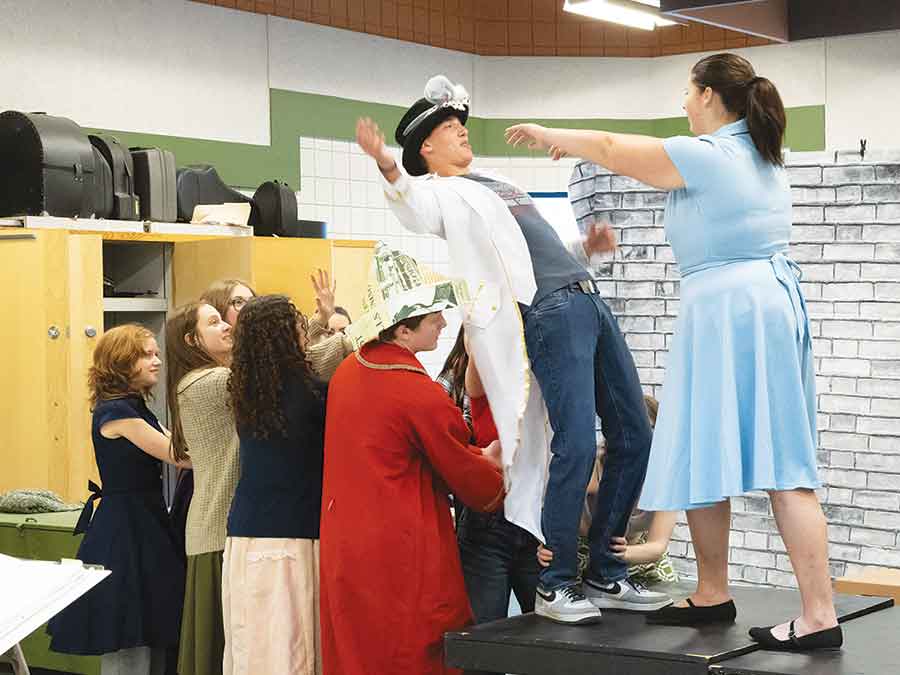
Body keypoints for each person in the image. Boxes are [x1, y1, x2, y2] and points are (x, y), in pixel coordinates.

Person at [505, 52, 841, 650]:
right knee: (703, 450)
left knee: (785, 468)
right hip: (741, 305)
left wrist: (552, 135)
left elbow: (611, 145)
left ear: (711, 95)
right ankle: (713, 592)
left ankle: (818, 614)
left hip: (734, 309)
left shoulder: (712, 155)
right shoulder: (756, 154)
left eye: (688, 92)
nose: (683, 103)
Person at [355, 75, 663, 624]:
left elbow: (524, 252)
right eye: (450, 129)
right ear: (426, 148)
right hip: (550, 312)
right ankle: (557, 581)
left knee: (634, 432)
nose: (461, 134)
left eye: (459, 126)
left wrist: (582, 250)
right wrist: (386, 164)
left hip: (584, 297)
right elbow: (409, 205)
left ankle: (605, 574)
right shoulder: (437, 193)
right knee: (571, 440)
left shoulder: (492, 181)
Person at [320, 244, 505, 674]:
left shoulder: (349, 370)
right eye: (433, 315)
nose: (443, 320)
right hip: (401, 543)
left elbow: (399, 447)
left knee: (357, 644)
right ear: (403, 330)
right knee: (410, 644)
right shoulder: (417, 390)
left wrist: (474, 454)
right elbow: (466, 475)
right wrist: (495, 467)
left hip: (346, 540)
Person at [48, 324, 189, 675]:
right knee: (130, 631)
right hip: (126, 529)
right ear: (122, 363)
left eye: (156, 353)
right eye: (146, 355)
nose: (156, 361)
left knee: (151, 627)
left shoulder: (134, 408)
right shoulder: (118, 413)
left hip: (145, 521)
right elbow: (178, 454)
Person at [222, 295, 327, 674]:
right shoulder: (313, 394)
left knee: (254, 648)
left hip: (245, 532)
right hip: (293, 533)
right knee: (293, 649)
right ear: (286, 335)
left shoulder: (244, 393)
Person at [437, 327, 541, 643]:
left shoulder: (535, 391)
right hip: (487, 521)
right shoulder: (473, 388)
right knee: (485, 639)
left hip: (534, 524)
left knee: (548, 639)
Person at [538, 396, 679, 593]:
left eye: (650, 432)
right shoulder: (591, 467)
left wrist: (621, 553)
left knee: (664, 601)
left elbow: (657, 546)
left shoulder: (666, 480)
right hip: (585, 553)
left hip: (638, 555)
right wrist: (548, 544)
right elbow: (553, 505)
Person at [165, 302, 237, 675]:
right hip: (217, 534)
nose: (227, 326)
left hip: (213, 530)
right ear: (192, 340)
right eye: (215, 322)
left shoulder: (207, 379)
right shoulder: (208, 382)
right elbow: (281, 374)